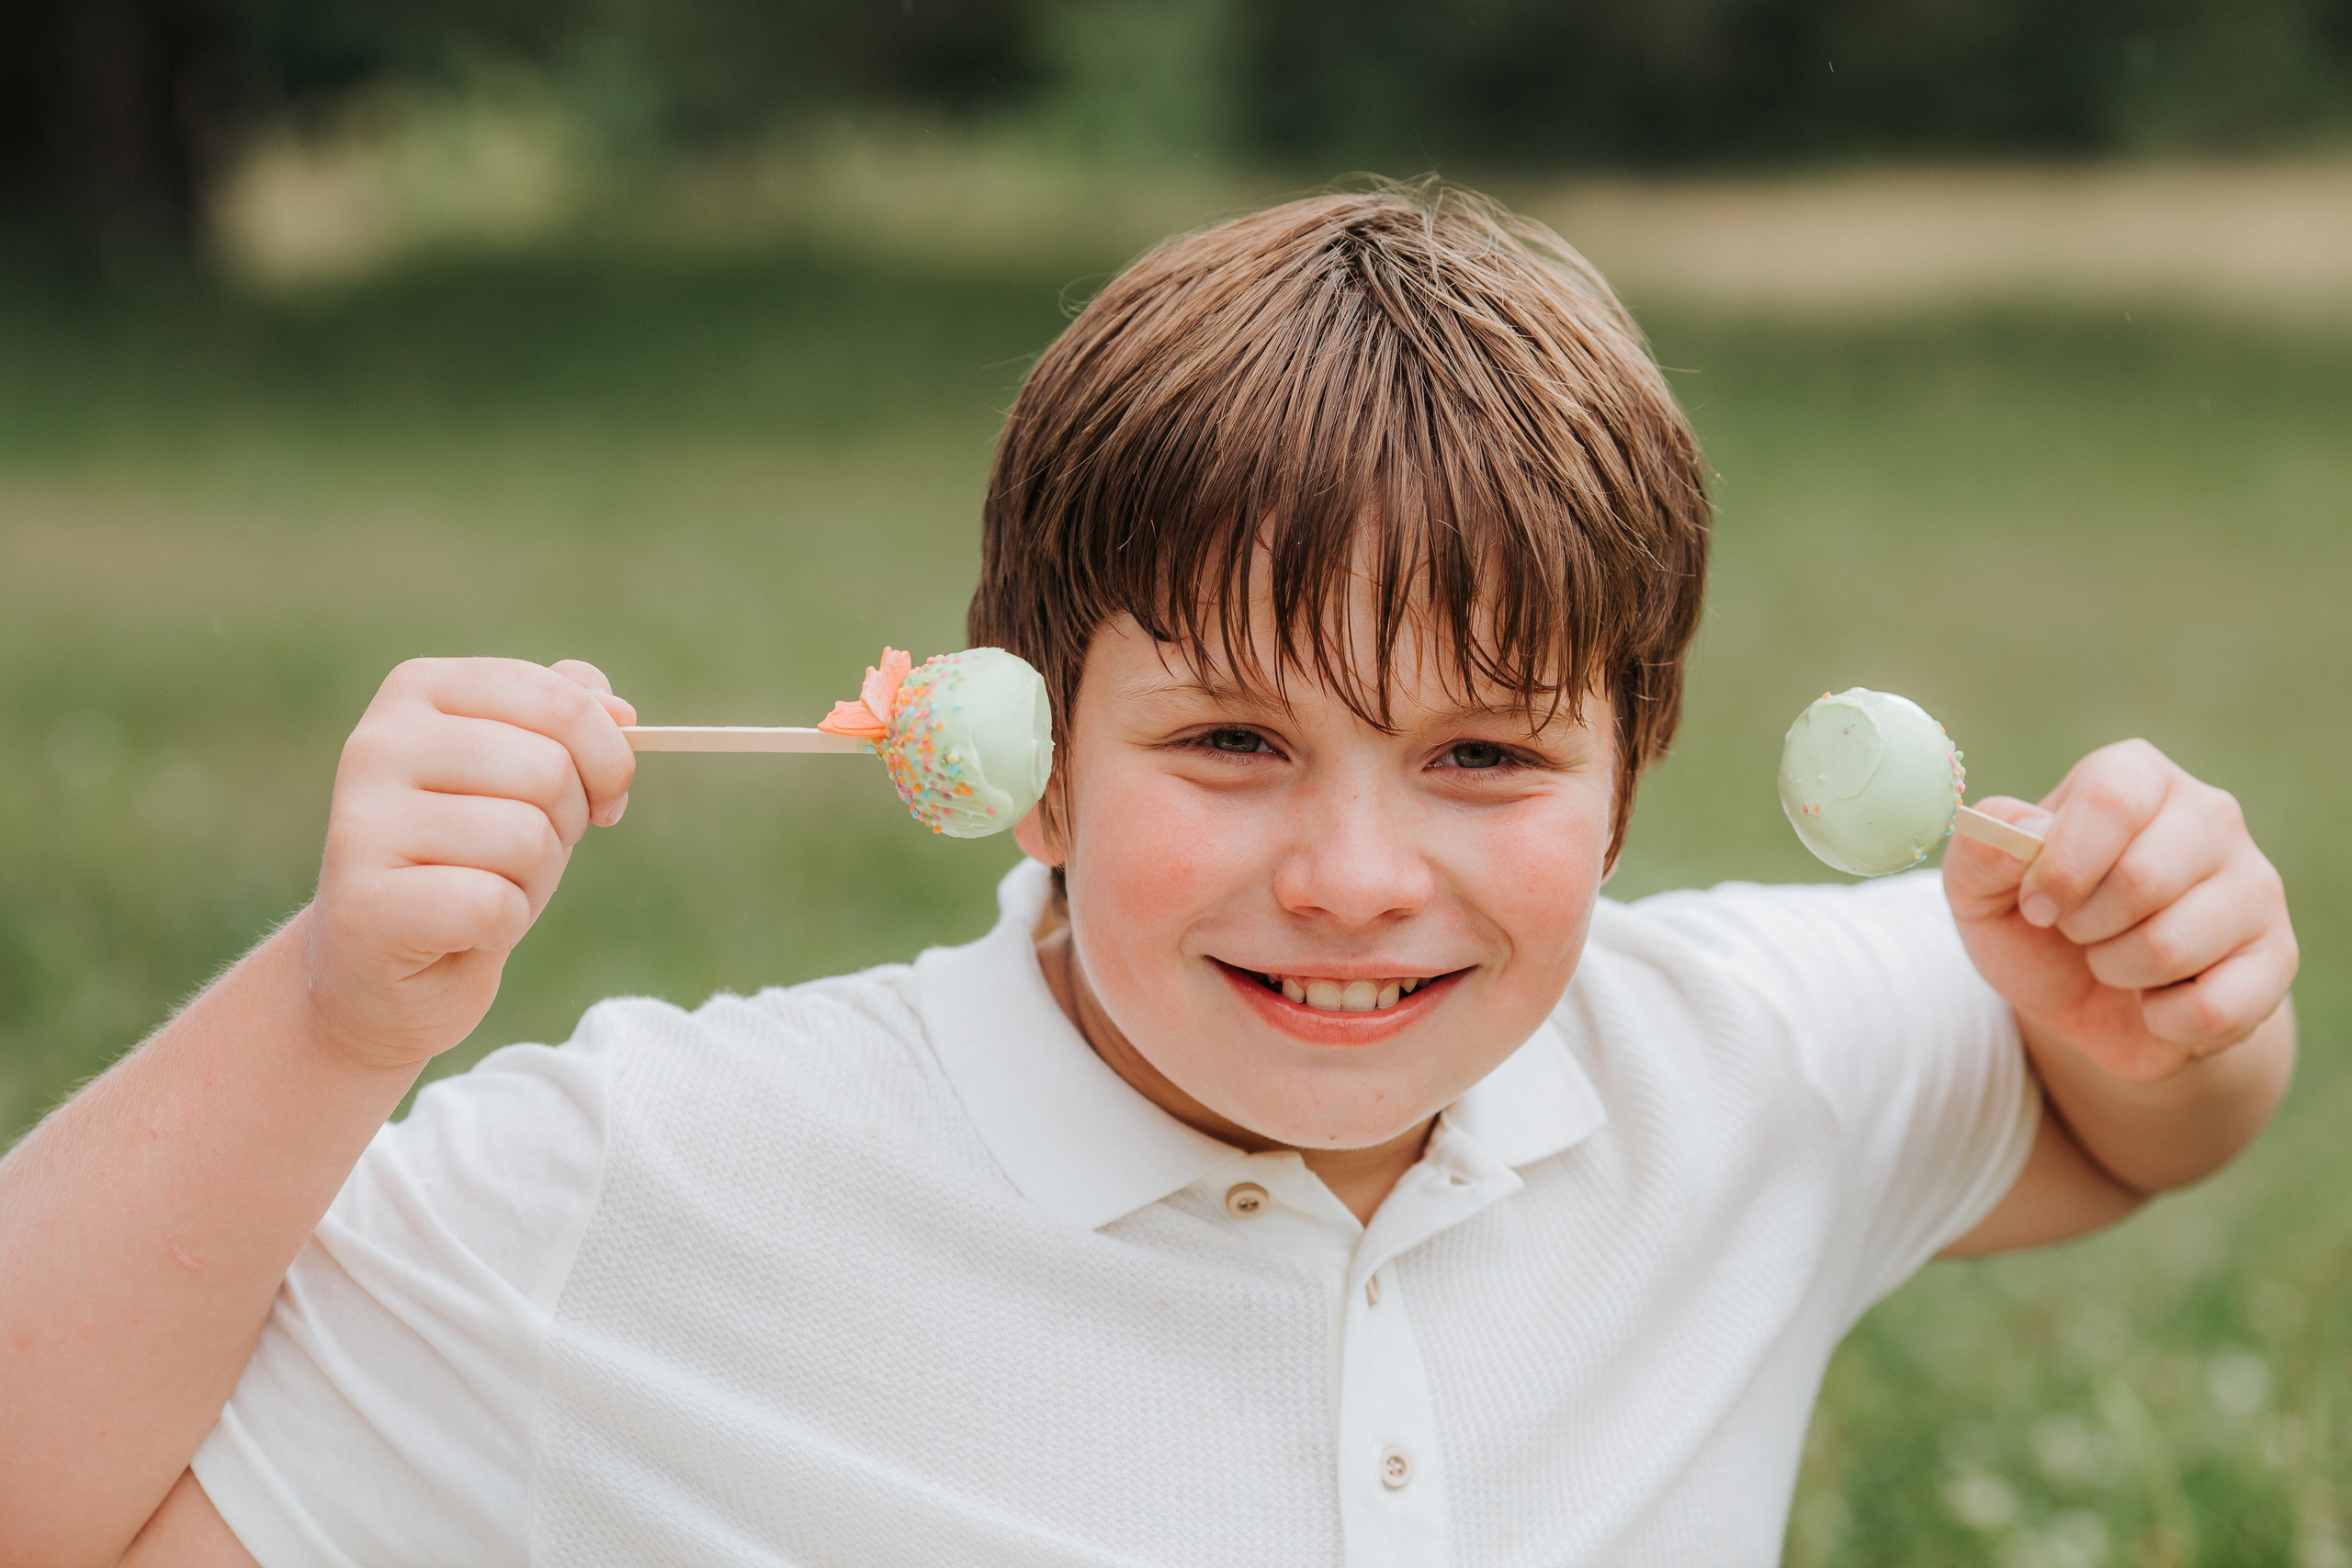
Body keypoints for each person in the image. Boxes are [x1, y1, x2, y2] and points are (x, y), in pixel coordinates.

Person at [0, 184, 2297, 1568]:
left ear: (1630, 768)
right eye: (1226, 739)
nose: (1355, 869)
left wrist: (2185, 1006)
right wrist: (331, 1018)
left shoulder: (1742, 1059)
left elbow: (2120, 1123)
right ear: (1015, 760)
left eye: (1483, 751)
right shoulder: (660, 1176)